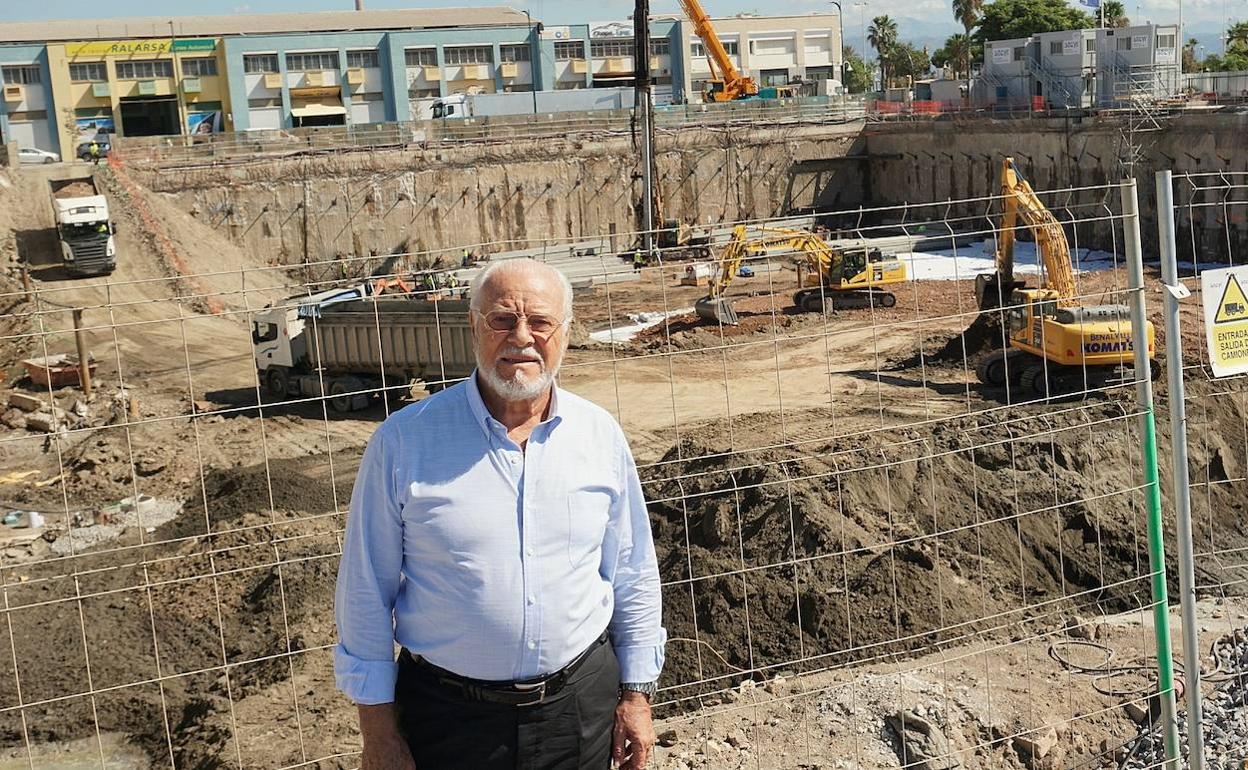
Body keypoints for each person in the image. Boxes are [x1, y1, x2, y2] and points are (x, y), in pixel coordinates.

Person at [335, 258, 665, 770]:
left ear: (566, 332)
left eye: (539, 322)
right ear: (473, 327)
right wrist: (378, 732)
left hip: (579, 712)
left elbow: (633, 572)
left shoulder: (599, 435)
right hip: (449, 723)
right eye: (502, 320)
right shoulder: (403, 442)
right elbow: (364, 592)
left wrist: (637, 695)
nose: (522, 338)